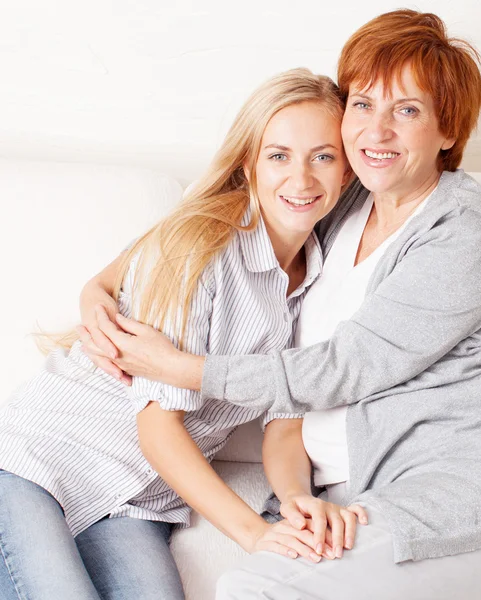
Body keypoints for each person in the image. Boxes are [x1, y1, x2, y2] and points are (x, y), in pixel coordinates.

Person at [89, 10, 481, 599]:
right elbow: (220, 208)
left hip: (471, 503)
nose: (377, 131)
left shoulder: (463, 229)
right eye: (363, 104)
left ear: (448, 132)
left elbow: (342, 369)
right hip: (363, 505)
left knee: (255, 590)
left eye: (407, 110)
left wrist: (181, 368)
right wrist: (96, 287)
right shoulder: (339, 204)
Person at [0, 68, 359, 600]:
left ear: (349, 169)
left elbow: (285, 423)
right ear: (249, 163)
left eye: (323, 156)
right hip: (37, 460)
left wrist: (292, 500)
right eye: (278, 155)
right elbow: (158, 428)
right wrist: (254, 534)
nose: (302, 179)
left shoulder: (326, 281)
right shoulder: (204, 248)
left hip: (137, 501)